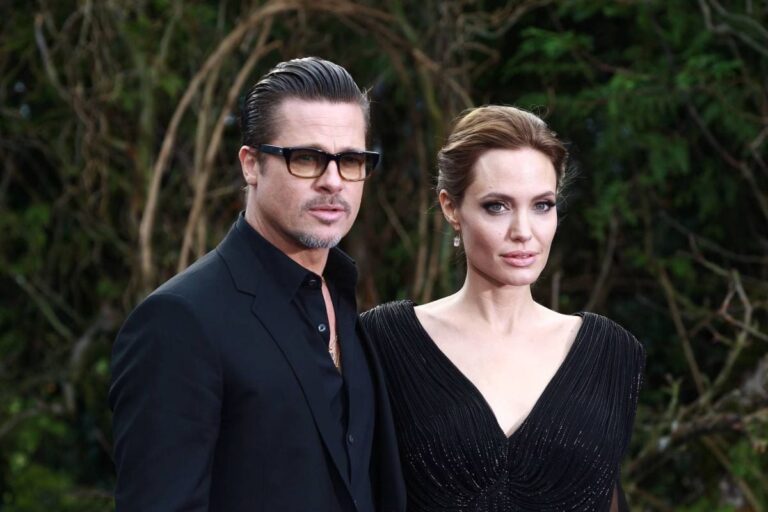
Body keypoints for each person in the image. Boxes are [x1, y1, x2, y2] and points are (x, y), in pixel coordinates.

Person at [109, 57, 405, 512]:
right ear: (251, 165)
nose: (332, 182)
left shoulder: (350, 305)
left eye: (350, 160)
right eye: (306, 158)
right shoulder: (179, 321)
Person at [360, 105, 644, 512]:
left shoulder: (612, 353)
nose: (523, 232)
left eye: (542, 205)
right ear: (451, 208)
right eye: (497, 206)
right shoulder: (383, 342)